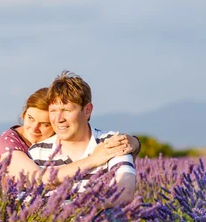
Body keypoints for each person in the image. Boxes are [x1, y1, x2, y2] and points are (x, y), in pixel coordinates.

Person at [0, 87, 140, 187]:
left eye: (45, 124)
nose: (34, 129)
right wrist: (94, 159)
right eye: (30, 118)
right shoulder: (8, 142)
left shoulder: (61, 137)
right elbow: (38, 179)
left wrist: (135, 143)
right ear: (23, 114)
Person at [28, 71, 136, 204]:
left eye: (67, 110)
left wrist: (79, 212)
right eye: (53, 111)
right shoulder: (37, 152)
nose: (58, 119)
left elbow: (125, 192)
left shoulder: (110, 143)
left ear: (87, 110)